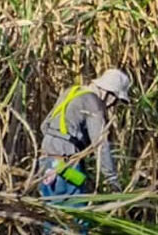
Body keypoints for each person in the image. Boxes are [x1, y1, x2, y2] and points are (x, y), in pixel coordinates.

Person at [38, 68, 132, 231]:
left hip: (46, 163)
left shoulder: (70, 92)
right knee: (77, 220)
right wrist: (112, 180)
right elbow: (100, 145)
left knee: (53, 218)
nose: (112, 106)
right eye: (115, 101)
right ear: (109, 94)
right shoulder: (94, 103)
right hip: (65, 167)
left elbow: (44, 125)